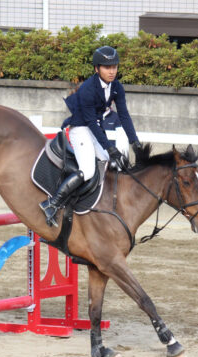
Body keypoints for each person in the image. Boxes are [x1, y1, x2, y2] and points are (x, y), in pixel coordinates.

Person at [40, 45, 143, 227]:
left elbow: (124, 115)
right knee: (88, 170)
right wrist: (110, 147)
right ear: (97, 69)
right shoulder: (88, 88)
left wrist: (134, 141)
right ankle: (52, 204)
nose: (112, 71)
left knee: (108, 164)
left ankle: (92, 207)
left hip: (94, 127)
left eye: (115, 67)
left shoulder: (117, 86)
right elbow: (90, 123)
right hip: (80, 128)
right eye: (107, 67)